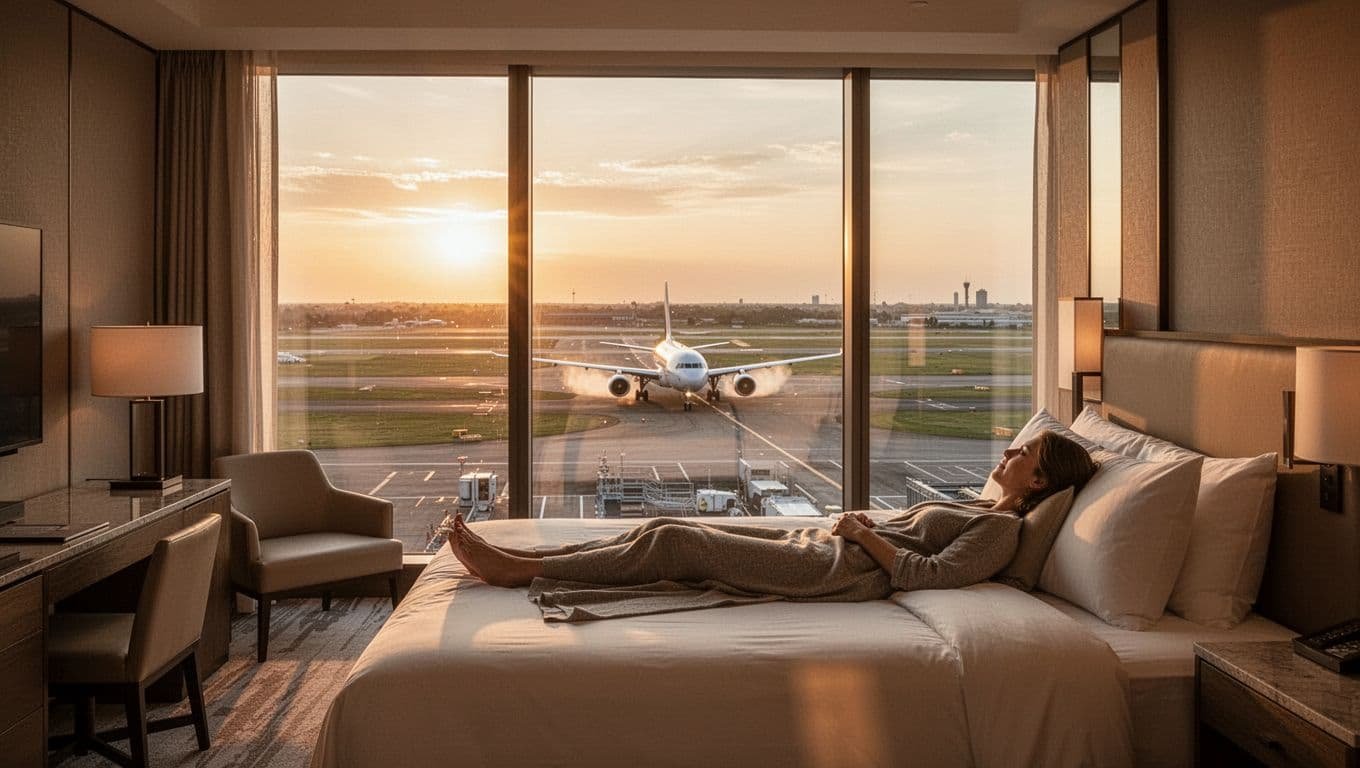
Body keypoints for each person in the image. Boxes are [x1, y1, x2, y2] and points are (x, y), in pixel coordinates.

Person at [447, 430, 1099, 605]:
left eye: (1023, 453)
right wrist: (869, 523)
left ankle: (521, 572)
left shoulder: (1003, 530)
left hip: (835, 571)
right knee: (655, 530)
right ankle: (530, 561)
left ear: (1039, 481)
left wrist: (862, 534)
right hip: (827, 546)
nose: (1009, 452)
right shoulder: (983, 506)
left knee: (673, 541)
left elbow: (926, 576)